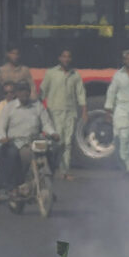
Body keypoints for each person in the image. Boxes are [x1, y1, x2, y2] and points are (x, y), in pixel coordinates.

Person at [42, 47, 85, 176]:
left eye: (68, 57)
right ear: (59, 58)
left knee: (68, 143)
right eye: (64, 56)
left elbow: (81, 94)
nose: (66, 59)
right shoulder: (51, 73)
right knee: (56, 142)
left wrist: (85, 111)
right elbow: (43, 90)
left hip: (70, 112)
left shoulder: (75, 75)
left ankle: (65, 171)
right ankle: (51, 167)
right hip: (54, 112)